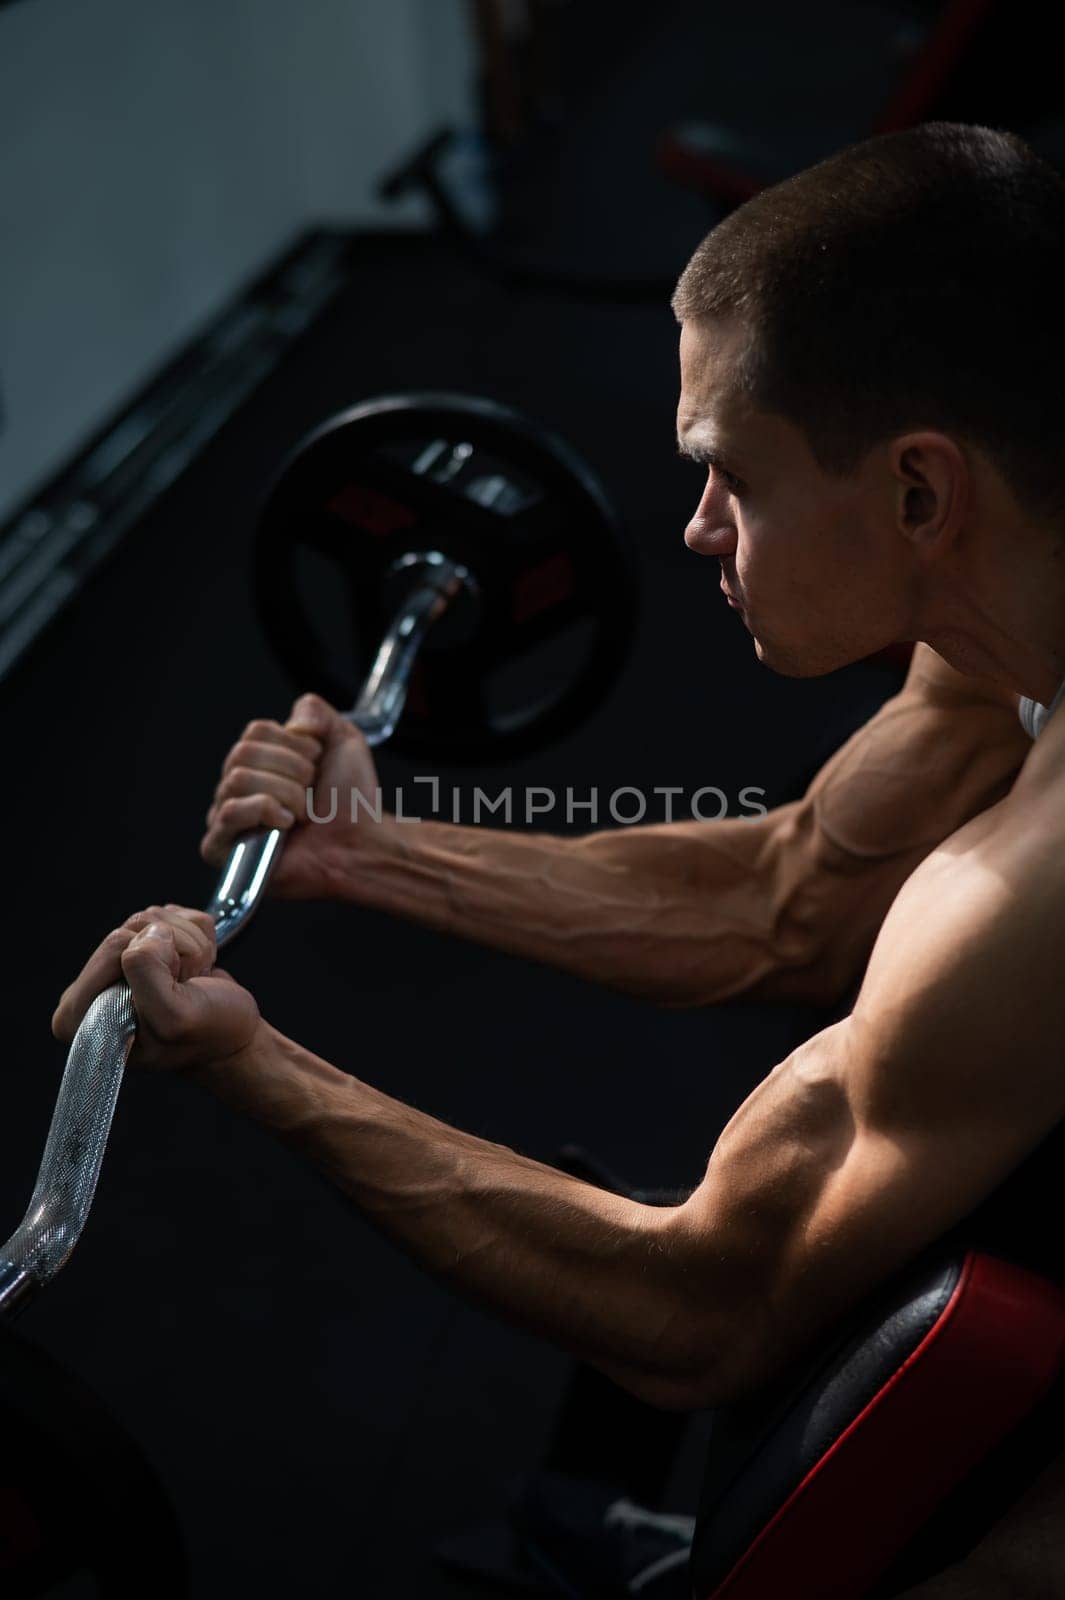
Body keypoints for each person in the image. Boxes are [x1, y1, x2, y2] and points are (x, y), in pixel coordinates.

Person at [53, 122, 1065, 1596]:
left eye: (731, 475)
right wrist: (364, 851)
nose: (698, 528)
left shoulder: (1037, 887)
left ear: (920, 493)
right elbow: (786, 899)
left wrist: (251, 1066)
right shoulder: (1007, 618)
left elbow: (706, 1305)